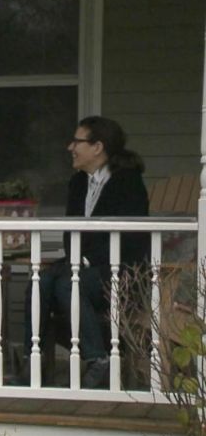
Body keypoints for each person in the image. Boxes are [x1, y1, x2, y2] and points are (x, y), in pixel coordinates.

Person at [24, 116, 150, 388]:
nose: (71, 147)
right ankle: (32, 363)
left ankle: (98, 361)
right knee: (40, 283)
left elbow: (131, 239)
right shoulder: (79, 182)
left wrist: (85, 261)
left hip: (121, 271)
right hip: (82, 266)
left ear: (97, 147)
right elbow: (71, 232)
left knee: (69, 286)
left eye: (77, 141)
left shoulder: (128, 183)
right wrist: (75, 261)